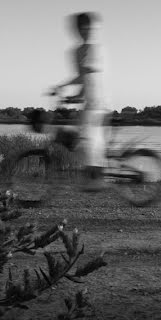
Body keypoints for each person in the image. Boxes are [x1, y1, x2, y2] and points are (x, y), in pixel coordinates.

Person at [52, 12, 109, 189]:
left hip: (97, 102)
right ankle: (95, 177)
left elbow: (87, 75)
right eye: (82, 28)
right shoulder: (78, 51)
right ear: (77, 30)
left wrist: (62, 87)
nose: (86, 32)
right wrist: (75, 95)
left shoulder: (93, 49)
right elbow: (84, 78)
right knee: (88, 139)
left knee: (87, 139)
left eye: (89, 28)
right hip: (91, 101)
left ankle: (96, 178)